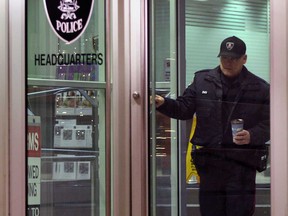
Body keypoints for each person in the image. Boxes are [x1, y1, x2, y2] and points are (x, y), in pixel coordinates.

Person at [153, 36, 270, 216]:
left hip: (241, 165)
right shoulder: (202, 81)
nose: (228, 62)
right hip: (210, 164)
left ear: (244, 59)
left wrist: (252, 135)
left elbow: (271, 123)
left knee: (239, 212)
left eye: (233, 58)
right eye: (224, 58)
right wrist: (163, 103)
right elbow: (184, 109)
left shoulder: (260, 88)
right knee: (210, 212)